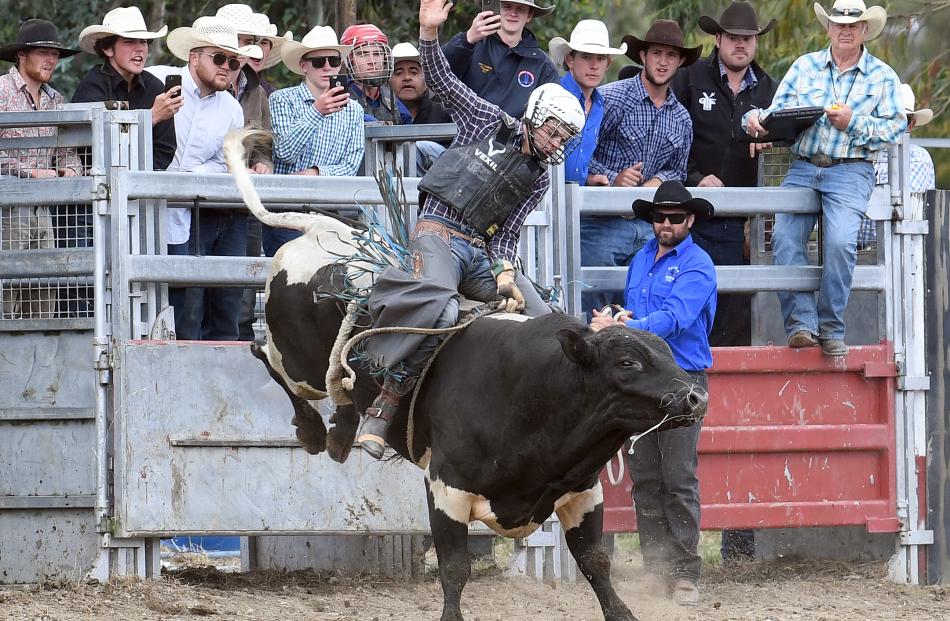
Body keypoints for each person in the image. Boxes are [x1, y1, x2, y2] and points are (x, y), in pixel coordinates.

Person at [357, 0, 585, 460]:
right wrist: (428, 33)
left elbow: (506, 235)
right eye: (556, 133)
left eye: (565, 139)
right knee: (437, 305)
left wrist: (504, 271)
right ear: (537, 117)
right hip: (437, 230)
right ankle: (386, 401)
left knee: (548, 322)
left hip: (480, 252)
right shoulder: (486, 120)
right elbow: (441, 79)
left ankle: (554, 418)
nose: (558, 144)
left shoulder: (539, 177)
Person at [672, 0, 778, 562]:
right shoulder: (691, 81)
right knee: (688, 343)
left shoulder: (770, 87)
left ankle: (740, 533)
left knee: (734, 351)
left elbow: (788, 143)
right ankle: (670, 523)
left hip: (743, 232)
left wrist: (772, 142)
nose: (740, 45)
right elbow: (672, 141)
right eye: (733, 38)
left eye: (748, 38)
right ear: (718, 40)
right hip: (693, 227)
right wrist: (693, 178)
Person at [743, 0, 905, 356]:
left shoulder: (882, 76)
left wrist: (854, 123)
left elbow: (896, 128)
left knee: (840, 243)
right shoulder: (804, 66)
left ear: (864, 30)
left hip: (851, 169)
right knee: (783, 239)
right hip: (803, 165)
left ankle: (831, 327)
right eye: (838, 24)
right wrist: (755, 120)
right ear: (828, 28)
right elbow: (777, 113)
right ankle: (801, 325)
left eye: (853, 24)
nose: (845, 30)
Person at [589, 180, 717, 608]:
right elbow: (651, 316)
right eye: (660, 217)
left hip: (682, 380)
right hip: (648, 380)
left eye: (675, 217)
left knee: (677, 477)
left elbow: (676, 319)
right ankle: (658, 568)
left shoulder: (699, 264)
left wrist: (625, 328)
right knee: (646, 477)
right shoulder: (642, 259)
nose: (666, 223)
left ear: (690, 219)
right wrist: (625, 318)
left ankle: (682, 573)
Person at [146, 17, 262, 341]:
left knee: (186, 303)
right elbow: (121, 129)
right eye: (219, 58)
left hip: (188, 215)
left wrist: (189, 175)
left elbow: (224, 162)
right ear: (194, 57)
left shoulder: (231, 109)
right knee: (148, 297)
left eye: (234, 61)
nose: (228, 66)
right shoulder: (156, 81)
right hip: (143, 209)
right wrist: (151, 116)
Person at [583, 19, 699, 316]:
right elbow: (580, 155)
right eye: (657, 53)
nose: (663, 62)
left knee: (643, 308)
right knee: (593, 305)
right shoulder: (611, 98)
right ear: (643, 56)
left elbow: (679, 169)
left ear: (680, 61)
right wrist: (613, 178)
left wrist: (659, 180)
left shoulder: (682, 118)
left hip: (649, 227)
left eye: (671, 56)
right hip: (601, 224)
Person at [0, 19, 82, 320]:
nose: (52, 60)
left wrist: (71, 170)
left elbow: (65, 152)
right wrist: (30, 173)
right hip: (6, 209)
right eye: (43, 52)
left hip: (44, 211)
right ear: (22, 55)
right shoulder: (1, 92)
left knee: (43, 295)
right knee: (5, 296)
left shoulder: (55, 99)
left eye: (55, 54)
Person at [265, 26, 365, 256]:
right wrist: (317, 112)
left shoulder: (354, 110)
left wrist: (313, 173)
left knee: (330, 288)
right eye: (319, 61)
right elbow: (284, 152)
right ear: (304, 65)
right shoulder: (282, 99)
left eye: (333, 60)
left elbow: (350, 167)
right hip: (287, 212)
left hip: (332, 214)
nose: (328, 67)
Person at [214, 4, 278, 341]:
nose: (247, 45)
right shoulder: (206, 84)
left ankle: (238, 345)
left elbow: (264, 141)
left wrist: (263, 162)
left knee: (242, 283)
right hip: (207, 199)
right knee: (200, 286)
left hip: (245, 197)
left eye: (250, 39)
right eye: (241, 38)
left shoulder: (257, 90)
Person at [74, 7, 179, 170]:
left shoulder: (155, 87)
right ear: (108, 49)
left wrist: (138, 178)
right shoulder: (94, 85)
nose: (139, 49)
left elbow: (164, 150)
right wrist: (150, 118)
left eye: (143, 41)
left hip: (145, 185)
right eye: (129, 41)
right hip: (100, 187)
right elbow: (93, 147)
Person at [442, 0, 558, 117]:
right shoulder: (470, 44)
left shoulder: (543, 65)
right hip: (461, 131)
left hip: (517, 134)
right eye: (507, 7)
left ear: (529, 15)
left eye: (520, 8)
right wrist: (467, 38)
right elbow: (436, 72)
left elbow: (551, 113)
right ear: (496, 10)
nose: (513, 13)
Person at [548, 19, 626, 185]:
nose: (594, 66)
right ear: (570, 61)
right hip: (544, 199)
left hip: (577, 202)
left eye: (600, 58)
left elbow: (579, 158)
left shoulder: (599, 105)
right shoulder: (553, 95)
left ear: (608, 64)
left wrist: (588, 179)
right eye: (586, 57)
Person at [858, 83, 936, 247]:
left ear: (911, 124)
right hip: (864, 250)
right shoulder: (859, 154)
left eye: (900, 120)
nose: (892, 127)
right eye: (888, 120)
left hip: (904, 247)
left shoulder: (920, 158)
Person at [341, 24, 411, 124]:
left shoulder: (390, 99)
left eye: (377, 54)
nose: (372, 61)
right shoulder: (340, 96)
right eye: (363, 54)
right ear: (349, 60)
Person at [390, 41, 451, 125]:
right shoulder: (382, 116)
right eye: (399, 73)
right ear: (388, 81)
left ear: (426, 78)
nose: (407, 78)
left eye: (414, 72)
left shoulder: (444, 115)